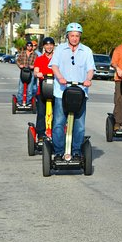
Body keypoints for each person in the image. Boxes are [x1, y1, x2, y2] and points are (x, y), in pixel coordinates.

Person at [49, 22, 95, 161]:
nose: (74, 38)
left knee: (79, 126)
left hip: (80, 92)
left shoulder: (86, 51)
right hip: (61, 92)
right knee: (58, 123)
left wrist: (88, 79)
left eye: (77, 36)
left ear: (80, 36)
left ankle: (75, 151)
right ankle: (58, 151)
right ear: (67, 36)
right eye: (72, 35)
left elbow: (90, 69)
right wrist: (60, 77)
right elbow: (54, 66)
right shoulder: (60, 49)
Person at [33, 36, 56, 140]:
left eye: (51, 44)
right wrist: (38, 74)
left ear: (53, 46)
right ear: (43, 46)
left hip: (56, 90)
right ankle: (41, 135)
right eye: (47, 44)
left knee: (57, 114)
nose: (49, 47)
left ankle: (56, 134)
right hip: (42, 89)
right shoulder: (39, 59)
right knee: (41, 113)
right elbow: (35, 71)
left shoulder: (57, 58)